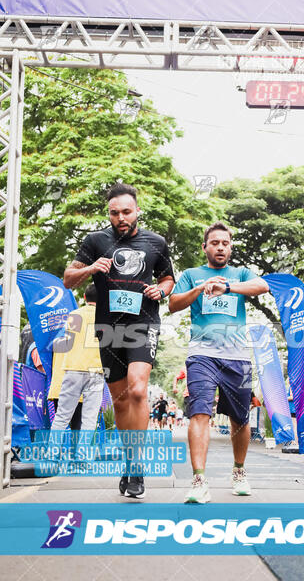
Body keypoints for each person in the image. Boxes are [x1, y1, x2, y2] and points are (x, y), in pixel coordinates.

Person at [63, 183, 175, 498]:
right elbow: (67, 278)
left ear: (137, 210)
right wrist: (90, 267)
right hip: (109, 326)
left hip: (143, 321)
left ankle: (137, 466)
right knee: (121, 400)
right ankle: (128, 461)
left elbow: (167, 278)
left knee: (138, 389)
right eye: (114, 213)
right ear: (109, 214)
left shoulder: (156, 242)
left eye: (126, 211)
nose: (121, 217)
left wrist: (162, 290)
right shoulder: (95, 241)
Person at [169, 221, 269, 503]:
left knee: (240, 417)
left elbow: (262, 286)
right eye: (215, 243)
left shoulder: (239, 274)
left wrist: (228, 289)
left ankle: (239, 470)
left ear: (231, 247)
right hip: (201, 355)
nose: (220, 247)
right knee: (199, 412)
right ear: (205, 247)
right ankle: (199, 480)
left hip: (237, 356)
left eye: (225, 243)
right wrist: (201, 288)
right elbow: (173, 304)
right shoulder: (192, 274)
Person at [50, 284, 104, 435]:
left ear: (85, 297)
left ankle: (52, 455)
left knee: (61, 416)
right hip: (96, 370)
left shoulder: (74, 315)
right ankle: (82, 457)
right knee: (89, 419)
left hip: (72, 368)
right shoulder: (105, 317)